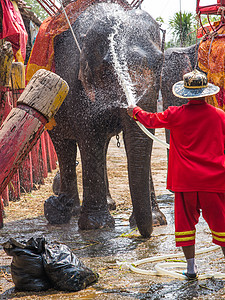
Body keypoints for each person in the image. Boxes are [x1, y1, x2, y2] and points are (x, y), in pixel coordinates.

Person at [127, 69, 225, 280]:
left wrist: (134, 112)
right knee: (222, 225)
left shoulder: (175, 114)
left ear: (185, 93)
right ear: (206, 92)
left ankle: (191, 269)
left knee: (185, 225)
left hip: (186, 182)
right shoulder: (220, 116)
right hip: (215, 181)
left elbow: (150, 120)